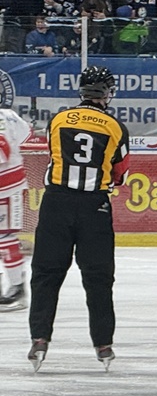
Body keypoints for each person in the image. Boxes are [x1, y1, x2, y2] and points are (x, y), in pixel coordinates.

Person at [28, 66, 131, 372]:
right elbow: (120, 174)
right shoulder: (116, 127)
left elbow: (54, 154)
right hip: (94, 207)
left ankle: (39, 339)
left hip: (56, 203)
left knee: (46, 274)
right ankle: (103, 343)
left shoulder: (58, 119)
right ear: (107, 93)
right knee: (99, 278)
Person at [0, 108, 33, 310]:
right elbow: (26, 133)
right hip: (12, 183)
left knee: (4, 237)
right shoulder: (9, 114)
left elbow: (2, 150)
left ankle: (17, 289)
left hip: (7, 188)